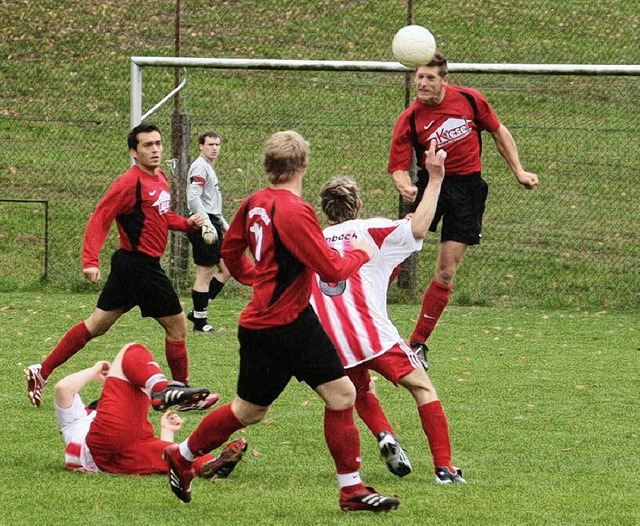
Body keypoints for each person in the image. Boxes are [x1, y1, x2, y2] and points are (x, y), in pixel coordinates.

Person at [162, 130, 400, 513]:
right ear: (303, 165)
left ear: (267, 166)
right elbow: (332, 270)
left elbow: (231, 247)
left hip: (289, 320)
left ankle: (351, 490)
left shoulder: (256, 202)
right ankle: (183, 454)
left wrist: (251, 276)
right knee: (248, 412)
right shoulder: (294, 210)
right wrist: (361, 253)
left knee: (341, 395)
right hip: (275, 327)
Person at [311, 141, 465, 484]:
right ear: (359, 204)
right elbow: (419, 228)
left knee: (361, 390)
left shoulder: (315, 240)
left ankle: (384, 435)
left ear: (324, 210)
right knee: (422, 388)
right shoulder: (369, 228)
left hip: (332, 342)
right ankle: (444, 469)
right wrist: (435, 179)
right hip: (373, 334)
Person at [25, 123, 207, 408]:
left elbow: (161, 214)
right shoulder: (128, 183)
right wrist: (90, 260)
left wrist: (186, 225)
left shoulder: (159, 177)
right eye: (148, 145)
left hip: (131, 267)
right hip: (140, 266)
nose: (156, 149)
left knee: (96, 325)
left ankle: (41, 370)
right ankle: (183, 394)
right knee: (178, 327)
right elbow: (101, 217)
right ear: (134, 152)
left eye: (158, 143)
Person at [388, 51, 539, 362]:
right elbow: (398, 166)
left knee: (445, 272)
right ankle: (361, 318)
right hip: (432, 186)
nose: (422, 83)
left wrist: (519, 171)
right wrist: (403, 184)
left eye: (430, 77)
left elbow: (499, 132)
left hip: (468, 190)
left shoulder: (470, 100)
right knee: (395, 252)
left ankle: (417, 344)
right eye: (419, 77)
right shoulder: (410, 118)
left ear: (445, 80)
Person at [53, 341, 247, 478]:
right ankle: (161, 388)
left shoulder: (92, 422)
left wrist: (167, 431)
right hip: (101, 446)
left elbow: (160, 456)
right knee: (130, 351)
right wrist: (94, 370)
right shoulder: (74, 420)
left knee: (174, 456)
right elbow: (63, 388)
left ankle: (207, 465)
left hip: (115, 459)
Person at [185, 130, 231, 333]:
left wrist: (224, 224)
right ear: (201, 146)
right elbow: (193, 198)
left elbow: (212, 204)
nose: (214, 148)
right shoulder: (199, 167)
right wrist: (206, 223)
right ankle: (200, 323)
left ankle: (197, 311)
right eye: (210, 144)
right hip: (203, 223)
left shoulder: (208, 168)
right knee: (205, 273)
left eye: (217, 145)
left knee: (227, 269)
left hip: (212, 221)